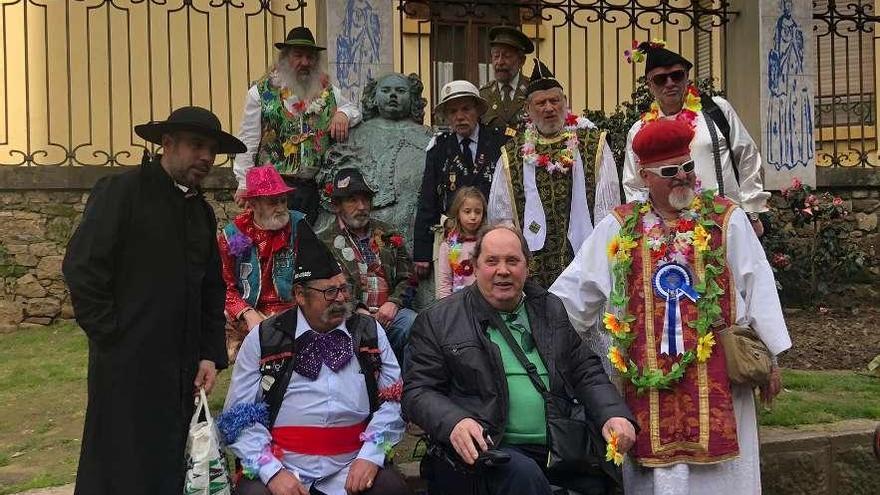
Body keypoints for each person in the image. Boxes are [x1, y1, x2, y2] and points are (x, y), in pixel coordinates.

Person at [550, 119, 792, 494]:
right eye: (670, 171)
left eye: (688, 167)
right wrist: (539, 333)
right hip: (645, 383)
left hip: (721, 378)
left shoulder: (726, 219)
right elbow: (576, 291)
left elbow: (757, 284)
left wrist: (772, 359)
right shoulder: (620, 227)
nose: (682, 177)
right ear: (645, 176)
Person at [62, 106, 245, 495]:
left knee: (170, 464)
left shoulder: (201, 213)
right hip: (125, 367)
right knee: (120, 465)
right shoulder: (121, 192)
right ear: (167, 143)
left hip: (182, 371)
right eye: (197, 146)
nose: (206, 158)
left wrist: (209, 353)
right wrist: (113, 337)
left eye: (212, 150)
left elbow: (212, 288)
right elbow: (83, 268)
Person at [403, 224, 638, 495]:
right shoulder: (439, 320)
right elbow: (417, 392)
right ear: (476, 267)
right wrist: (455, 421)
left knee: (602, 479)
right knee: (523, 476)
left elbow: (584, 369)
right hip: (489, 451)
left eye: (512, 261)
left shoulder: (549, 308)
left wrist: (613, 414)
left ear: (527, 268)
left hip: (557, 446)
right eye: (492, 261)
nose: (503, 270)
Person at [219, 226, 410, 495]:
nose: (342, 298)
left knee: (391, 489)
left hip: (353, 462)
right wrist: (272, 472)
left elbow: (395, 402)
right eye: (330, 292)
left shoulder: (368, 332)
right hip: (284, 465)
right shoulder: (265, 338)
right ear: (300, 294)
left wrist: (371, 455)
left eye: (343, 288)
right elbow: (238, 417)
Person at [488, 60, 620, 288]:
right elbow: (502, 218)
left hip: (585, 258)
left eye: (554, 101)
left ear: (565, 103)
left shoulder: (593, 144)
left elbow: (606, 211)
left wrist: (601, 256)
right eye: (541, 103)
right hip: (533, 267)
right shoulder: (511, 155)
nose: (549, 108)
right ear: (528, 110)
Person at [621, 39, 769, 236]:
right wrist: (648, 227)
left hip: (727, 225)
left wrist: (752, 211)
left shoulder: (715, 110)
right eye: (660, 79)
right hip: (671, 234)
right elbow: (634, 184)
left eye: (676, 75)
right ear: (649, 84)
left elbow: (747, 157)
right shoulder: (640, 130)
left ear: (686, 77)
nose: (670, 83)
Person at [233, 26, 362, 224]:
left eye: (310, 57)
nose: (305, 62)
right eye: (298, 56)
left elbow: (355, 110)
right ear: (285, 58)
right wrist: (244, 182)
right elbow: (247, 140)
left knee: (308, 245)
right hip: (271, 188)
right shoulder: (260, 93)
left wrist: (343, 114)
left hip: (313, 189)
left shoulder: (328, 92)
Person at [315, 72, 433, 243]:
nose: (393, 95)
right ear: (374, 97)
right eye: (386, 90)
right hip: (364, 221)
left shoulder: (428, 137)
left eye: (400, 91)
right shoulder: (356, 133)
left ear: (413, 97)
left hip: (413, 221)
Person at [319, 168, 417, 364]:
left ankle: (411, 390)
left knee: (413, 323)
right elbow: (324, 290)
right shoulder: (324, 242)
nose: (362, 206)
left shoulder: (388, 233)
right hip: (348, 318)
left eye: (365, 199)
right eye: (353, 200)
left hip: (389, 317)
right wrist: (358, 310)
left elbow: (409, 278)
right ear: (337, 205)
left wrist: (394, 303)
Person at [413, 80, 509, 280]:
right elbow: (427, 200)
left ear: (478, 111)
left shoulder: (500, 143)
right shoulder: (439, 149)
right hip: (454, 241)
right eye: (453, 111)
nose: (459, 117)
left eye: (466, 109)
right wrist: (422, 252)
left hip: (493, 236)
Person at [218, 165, 310, 362]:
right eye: (272, 202)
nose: (280, 208)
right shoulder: (235, 235)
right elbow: (224, 285)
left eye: (283, 201)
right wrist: (247, 312)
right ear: (253, 203)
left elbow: (316, 274)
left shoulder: (299, 225)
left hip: (294, 310)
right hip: (247, 313)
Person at [435, 186, 486, 299]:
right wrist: (447, 310)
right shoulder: (448, 246)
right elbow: (444, 283)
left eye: (478, 212)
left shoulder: (487, 241)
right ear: (458, 213)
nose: (473, 217)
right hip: (460, 304)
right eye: (467, 212)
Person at [479, 26, 534, 131]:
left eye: (506, 56)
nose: (499, 62)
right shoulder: (483, 95)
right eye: (496, 56)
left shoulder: (533, 91)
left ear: (521, 61)